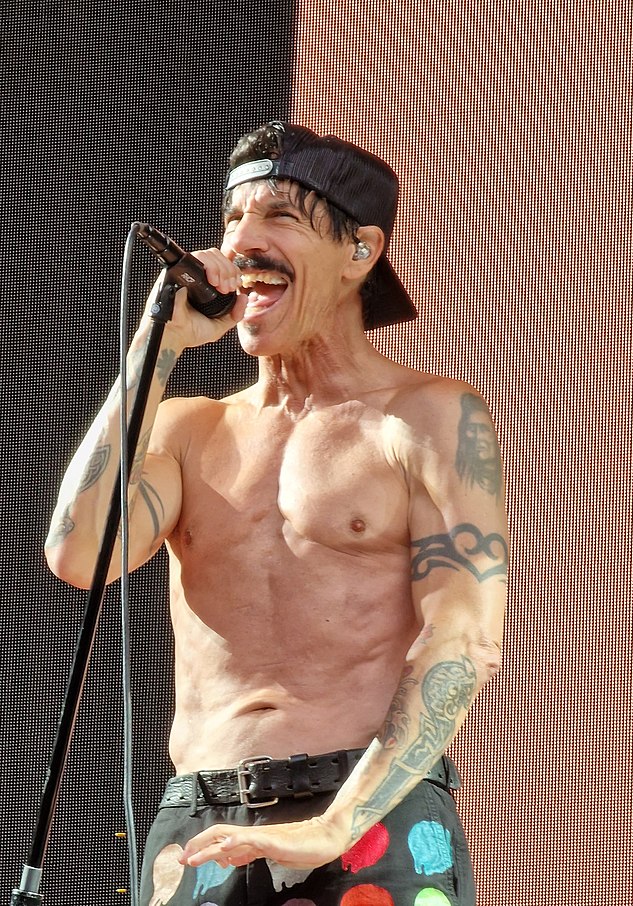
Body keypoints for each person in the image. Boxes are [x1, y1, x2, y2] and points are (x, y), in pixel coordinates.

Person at [45, 121, 507, 906]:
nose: (242, 241)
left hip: (363, 815)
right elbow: (79, 555)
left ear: (359, 251)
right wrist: (154, 349)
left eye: (280, 217)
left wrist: (334, 825)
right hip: (201, 824)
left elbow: (464, 638)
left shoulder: (427, 417)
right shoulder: (187, 429)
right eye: (233, 218)